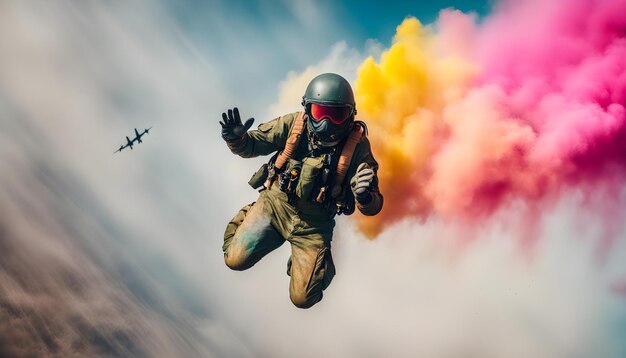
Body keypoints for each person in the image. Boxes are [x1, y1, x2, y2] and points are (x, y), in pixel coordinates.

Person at [219, 73, 383, 308]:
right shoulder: (294, 125)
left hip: (314, 226)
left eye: (336, 115)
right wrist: (237, 139)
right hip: (275, 206)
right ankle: (250, 216)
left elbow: (374, 206)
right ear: (307, 109)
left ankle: (311, 264)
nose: (326, 124)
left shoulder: (357, 147)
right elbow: (252, 146)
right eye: (319, 113)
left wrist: (365, 196)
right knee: (234, 260)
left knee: (303, 299)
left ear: (350, 115)